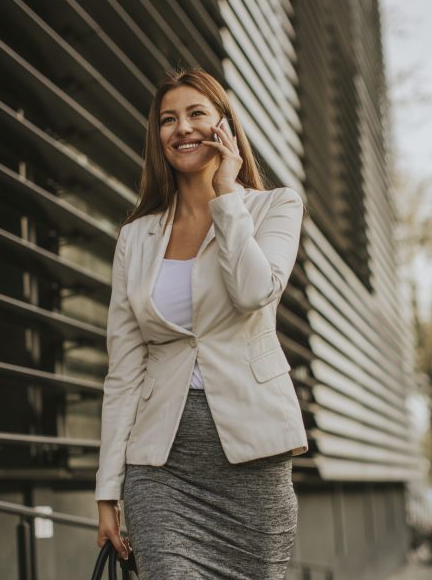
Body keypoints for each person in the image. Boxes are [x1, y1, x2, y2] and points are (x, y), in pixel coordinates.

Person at [95, 66, 308, 579]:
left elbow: (254, 291)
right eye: (169, 120)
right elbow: (123, 370)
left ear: (225, 127)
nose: (182, 128)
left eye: (196, 114)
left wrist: (226, 195)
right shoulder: (136, 238)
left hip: (252, 456)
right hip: (161, 465)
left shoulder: (274, 207)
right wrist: (108, 488)